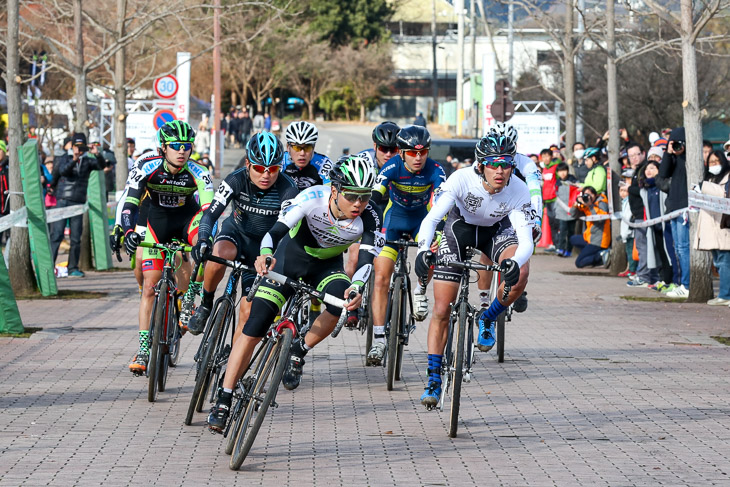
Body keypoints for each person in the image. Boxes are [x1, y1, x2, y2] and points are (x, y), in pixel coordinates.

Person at [206, 156, 381, 432]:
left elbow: (367, 262)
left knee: (339, 304)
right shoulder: (311, 198)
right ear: (334, 190)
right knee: (255, 326)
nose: (358, 203)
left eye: (364, 196)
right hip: (290, 258)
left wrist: (357, 287)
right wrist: (265, 255)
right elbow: (274, 234)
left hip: (327, 267)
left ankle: (300, 349)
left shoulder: (370, 216)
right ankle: (224, 398)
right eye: (351, 196)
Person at [414, 135, 537, 408]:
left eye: (506, 164)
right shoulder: (461, 179)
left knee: (522, 271)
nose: (501, 171)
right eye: (494, 164)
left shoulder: (518, 188)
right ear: (481, 165)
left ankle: (488, 317)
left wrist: (514, 263)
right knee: (441, 309)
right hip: (460, 230)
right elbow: (433, 218)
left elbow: (526, 241)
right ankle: (433, 378)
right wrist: (424, 249)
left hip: (497, 232)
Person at [120, 121, 214, 374]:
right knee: (150, 288)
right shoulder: (146, 165)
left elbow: (208, 212)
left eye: (187, 146)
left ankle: (189, 303)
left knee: (207, 247)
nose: (182, 151)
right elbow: (129, 202)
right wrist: (128, 231)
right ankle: (142, 349)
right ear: (163, 148)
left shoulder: (199, 171)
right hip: (156, 222)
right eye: (175, 146)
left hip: (187, 221)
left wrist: (204, 240)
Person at [186, 132, 298, 336]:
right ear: (248, 163)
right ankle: (206, 305)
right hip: (236, 234)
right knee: (217, 256)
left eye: (273, 169)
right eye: (259, 168)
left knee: (247, 313)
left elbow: (290, 228)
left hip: (263, 249)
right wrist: (203, 239)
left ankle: (231, 363)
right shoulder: (235, 179)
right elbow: (211, 214)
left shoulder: (288, 188)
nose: (266, 175)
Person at [367, 125, 446, 366]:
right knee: (381, 277)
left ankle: (421, 290)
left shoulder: (436, 170)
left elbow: (442, 203)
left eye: (423, 152)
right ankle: (379, 339)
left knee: (431, 250)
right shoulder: (391, 166)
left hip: (421, 221)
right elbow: (375, 196)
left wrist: (439, 231)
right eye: (412, 153)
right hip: (394, 220)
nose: (418, 158)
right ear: (401, 153)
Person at [50, 133, 105, 278]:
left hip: (78, 202)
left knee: (75, 238)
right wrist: (74, 159)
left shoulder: (88, 161)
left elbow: (101, 166)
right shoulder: (65, 158)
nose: (79, 150)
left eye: (81, 147)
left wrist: (96, 154)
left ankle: (72, 267)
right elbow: (63, 171)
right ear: (72, 146)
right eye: (76, 146)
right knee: (57, 234)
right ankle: (49, 266)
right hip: (63, 200)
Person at [695, 149, 730, 306]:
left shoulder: (727, 176)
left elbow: (723, 194)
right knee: (718, 262)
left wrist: (704, 187)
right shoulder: (710, 178)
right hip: (711, 224)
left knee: (724, 261)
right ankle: (723, 293)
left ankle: (725, 294)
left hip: (723, 225)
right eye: (711, 162)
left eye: (717, 162)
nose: (714, 165)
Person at [658, 127, 690, 298]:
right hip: (673, 207)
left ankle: (687, 284)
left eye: (679, 143)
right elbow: (662, 174)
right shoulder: (673, 158)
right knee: (678, 248)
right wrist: (668, 152)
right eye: (674, 143)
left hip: (685, 207)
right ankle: (681, 283)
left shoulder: (689, 159)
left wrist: (682, 153)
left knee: (684, 248)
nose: (677, 146)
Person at [282, 121, 333, 190]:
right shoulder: (281, 161)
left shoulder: (323, 163)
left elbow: (331, 193)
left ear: (313, 147)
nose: (302, 153)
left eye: (307, 147)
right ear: (288, 147)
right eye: (297, 147)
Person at [568, 186, 611, 268]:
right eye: (586, 195)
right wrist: (576, 203)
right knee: (573, 239)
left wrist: (590, 205)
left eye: (590, 194)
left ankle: (601, 256)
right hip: (589, 237)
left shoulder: (601, 202)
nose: (588, 197)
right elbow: (573, 214)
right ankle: (592, 252)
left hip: (599, 240)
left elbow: (600, 219)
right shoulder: (586, 203)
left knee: (579, 263)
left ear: (595, 195)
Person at [554, 162, 578, 257]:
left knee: (571, 231)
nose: (562, 173)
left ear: (567, 171)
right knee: (562, 230)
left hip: (572, 210)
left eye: (564, 170)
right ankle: (561, 248)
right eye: (560, 171)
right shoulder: (557, 182)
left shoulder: (573, 180)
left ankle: (569, 250)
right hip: (561, 210)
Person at [540, 148, 560, 252]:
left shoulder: (556, 167)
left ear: (551, 156)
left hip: (555, 198)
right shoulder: (545, 169)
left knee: (557, 222)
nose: (545, 158)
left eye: (547, 156)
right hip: (547, 199)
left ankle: (560, 245)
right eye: (543, 157)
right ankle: (554, 244)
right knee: (551, 222)